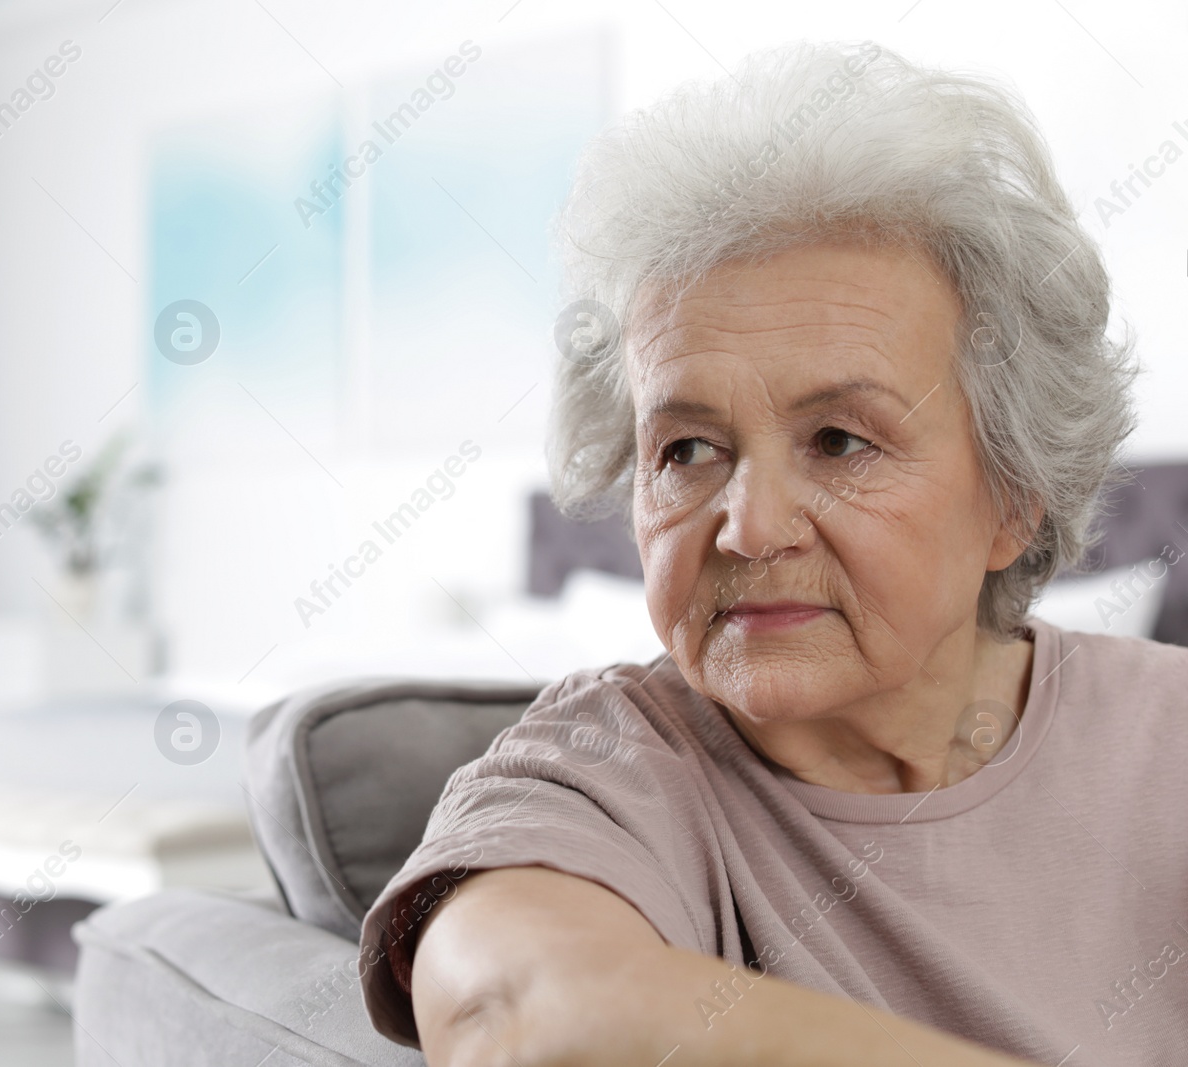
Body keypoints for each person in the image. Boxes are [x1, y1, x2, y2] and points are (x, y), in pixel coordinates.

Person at [357, 40, 1188, 1067]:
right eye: (687, 450)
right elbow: (516, 1017)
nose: (748, 528)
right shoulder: (605, 766)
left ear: (1011, 496)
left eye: (840, 440)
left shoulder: (1166, 735)